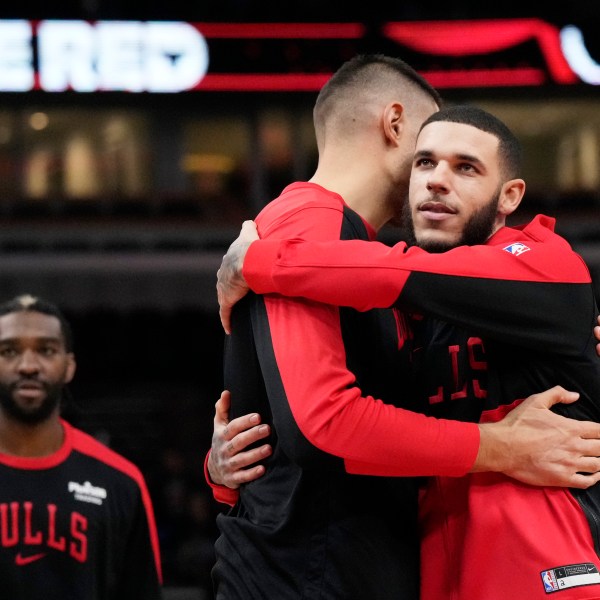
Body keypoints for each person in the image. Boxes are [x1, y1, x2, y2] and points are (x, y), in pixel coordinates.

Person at [208, 54, 600, 600]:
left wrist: (255, 263)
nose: (436, 180)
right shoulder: (370, 267)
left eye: (465, 167)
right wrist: (222, 470)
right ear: (397, 133)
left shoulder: (537, 260)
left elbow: (393, 277)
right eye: (425, 160)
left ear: (509, 195)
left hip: (540, 569)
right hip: (407, 570)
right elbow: (314, 420)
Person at [0, 293, 163, 600]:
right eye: (9, 351)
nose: (28, 366)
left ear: (69, 366)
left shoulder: (120, 482)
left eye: (46, 350)